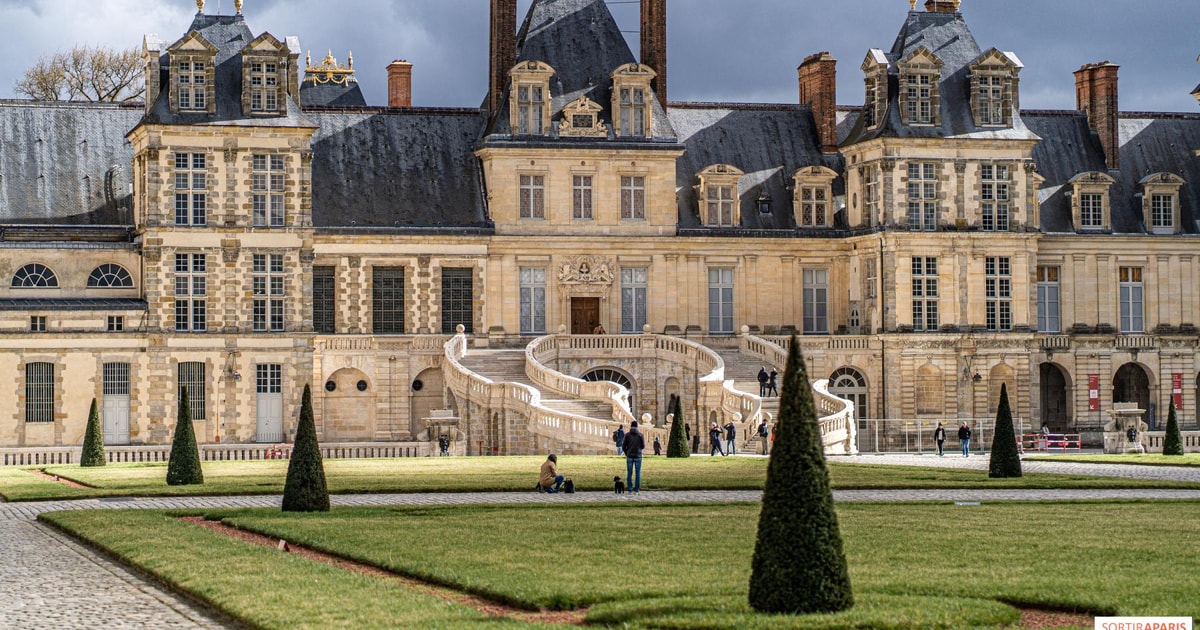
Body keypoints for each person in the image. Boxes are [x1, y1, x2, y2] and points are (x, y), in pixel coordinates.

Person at [622, 420, 646, 493]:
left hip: (629, 456)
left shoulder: (627, 435)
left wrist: (627, 452)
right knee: (638, 473)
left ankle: (630, 488)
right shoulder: (640, 435)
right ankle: (637, 488)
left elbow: (623, 446)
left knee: (629, 473)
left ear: (631, 426)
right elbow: (643, 446)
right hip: (638, 456)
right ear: (637, 427)